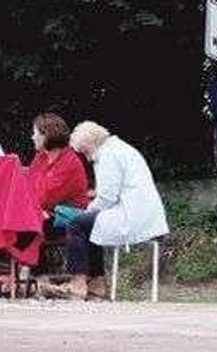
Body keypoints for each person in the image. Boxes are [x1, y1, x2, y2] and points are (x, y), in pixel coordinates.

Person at [65, 121, 169, 301]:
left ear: (91, 144)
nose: (87, 158)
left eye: (85, 152)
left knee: (76, 224)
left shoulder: (108, 155)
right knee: (91, 225)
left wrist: (87, 211)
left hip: (132, 215)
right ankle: (97, 284)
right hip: (142, 214)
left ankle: (79, 283)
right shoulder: (119, 148)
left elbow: (107, 197)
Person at [26, 112, 90, 214]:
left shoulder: (69, 162)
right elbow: (28, 185)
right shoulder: (41, 157)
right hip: (47, 212)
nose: (32, 137)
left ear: (46, 135)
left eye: (35, 133)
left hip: (67, 218)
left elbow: (45, 200)